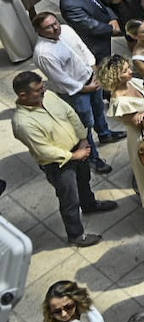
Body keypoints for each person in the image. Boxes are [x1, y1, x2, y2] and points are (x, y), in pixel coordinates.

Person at [11, 71, 117, 246]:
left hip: (78, 148)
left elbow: (70, 114)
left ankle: (89, 205)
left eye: (42, 86)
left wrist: (83, 138)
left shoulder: (49, 96)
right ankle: (76, 235)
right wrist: (73, 156)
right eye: (38, 90)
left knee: (84, 181)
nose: (44, 90)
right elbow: (43, 150)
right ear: (23, 95)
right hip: (58, 164)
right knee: (69, 199)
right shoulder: (22, 123)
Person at [32, 9, 118, 168]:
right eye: (49, 27)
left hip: (91, 79)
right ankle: (91, 156)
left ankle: (105, 134)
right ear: (39, 31)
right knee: (84, 125)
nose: (56, 28)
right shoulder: (43, 53)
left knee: (99, 110)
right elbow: (61, 79)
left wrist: (95, 71)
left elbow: (82, 49)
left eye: (55, 23)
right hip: (77, 92)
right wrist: (86, 88)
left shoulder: (66, 30)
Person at [95, 54, 144, 208]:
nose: (130, 71)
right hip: (142, 137)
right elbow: (140, 124)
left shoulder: (133, 83)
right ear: (116, 77)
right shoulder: (119, 101)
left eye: (128, 67)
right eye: (125, 71)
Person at [41, 280, 126, 322]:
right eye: (57, 311)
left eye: (68, 307)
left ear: (76, 300)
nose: (63, 314)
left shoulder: (84, 308)